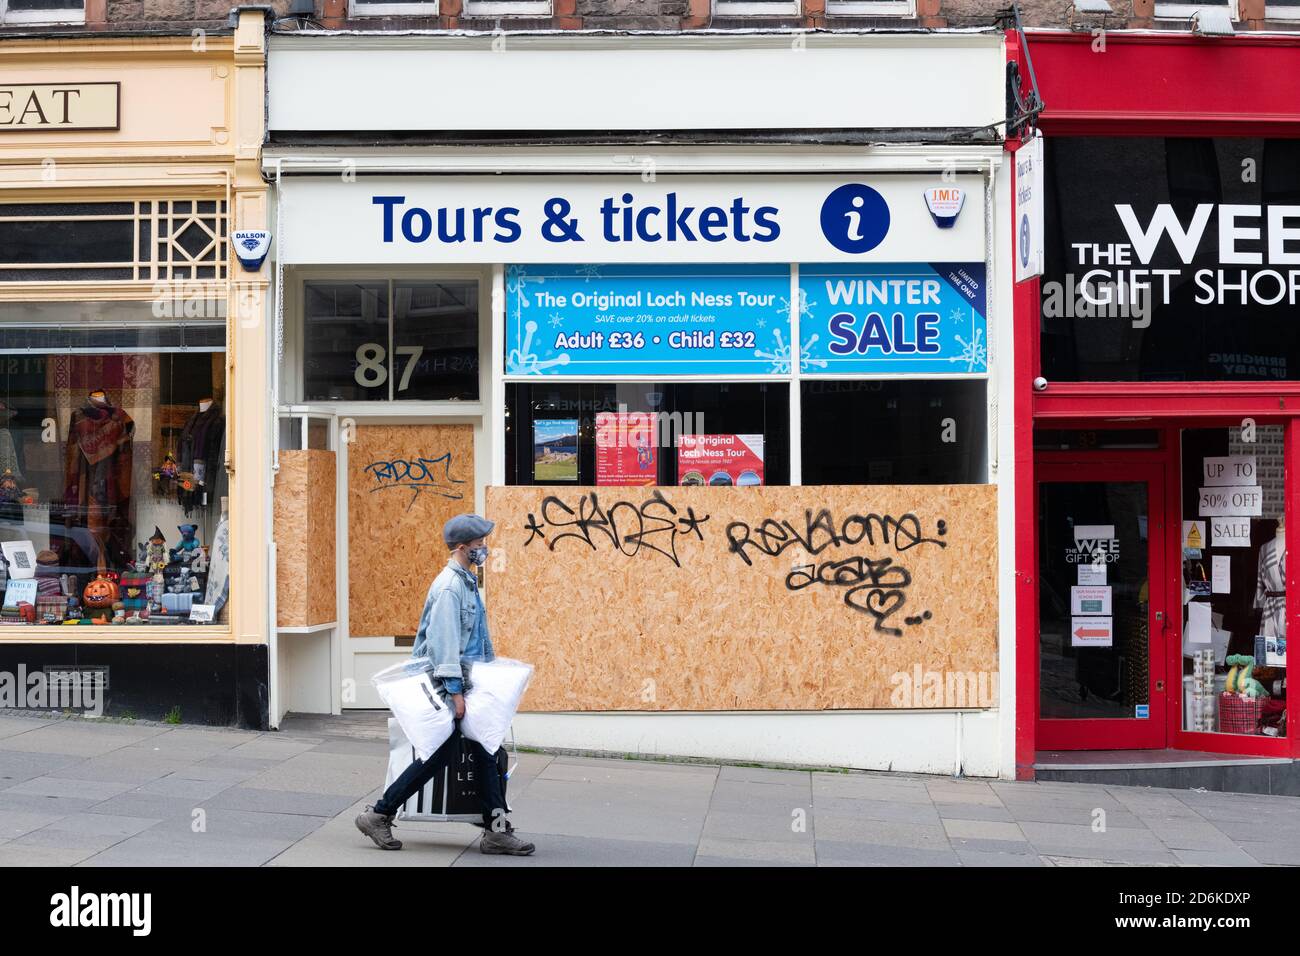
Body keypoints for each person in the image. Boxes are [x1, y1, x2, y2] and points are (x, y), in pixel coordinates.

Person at [355, 513, 535, 856]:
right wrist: (455, 693)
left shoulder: (467, 581)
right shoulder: (450, 588)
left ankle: (496, 830)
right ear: (463, 547)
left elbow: (476, 642)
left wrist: (488, 679)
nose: (485, 550)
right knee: (446, 753)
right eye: (480, 545)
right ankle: (380, 813)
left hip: (468, 683)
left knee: (485, 751)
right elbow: (443, 645)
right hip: (449, 685)